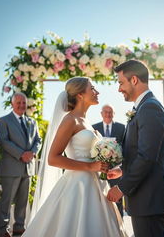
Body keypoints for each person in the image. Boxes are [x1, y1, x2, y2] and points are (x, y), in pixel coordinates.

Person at [22, 77, 126, 237]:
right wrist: (91, 166)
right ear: (80, 95)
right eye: (92, 88)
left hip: (96, 182)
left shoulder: (86, 121)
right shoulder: (70, 120)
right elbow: (53, 158)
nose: (97, 92)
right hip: (78, 185)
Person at [107, 60, 164, 237]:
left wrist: (121, 188)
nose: (119, 89)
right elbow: (141, 151)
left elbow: (147, 157)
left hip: (149, 198)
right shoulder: (144, 107)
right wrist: (122, 169)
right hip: (144, 197)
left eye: (121, 83)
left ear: (134, 80)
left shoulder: (150, 108)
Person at [0, 92, 42, 237]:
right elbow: (4, 141)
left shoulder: (32, 121)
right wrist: (21, 154)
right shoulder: (4, 121)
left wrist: (32, 152)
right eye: (19, 103)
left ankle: (19, 227)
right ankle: (3, 230)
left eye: (24, 102)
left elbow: (38, 141)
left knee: (22, 202)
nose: (22, 105)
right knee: (7, 201)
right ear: (12, 103)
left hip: (27, 168)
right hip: (11, 168)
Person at [93, 104, 125, 217]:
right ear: (101, 113)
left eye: (110, 112)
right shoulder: (94, 127)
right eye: (105, 112)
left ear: (114, 114)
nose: (108, 114)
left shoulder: (122, 128)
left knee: (117, 199)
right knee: (100, 198)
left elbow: (124, 147)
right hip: (99, 168)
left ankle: (119, 224)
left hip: (116, 169)